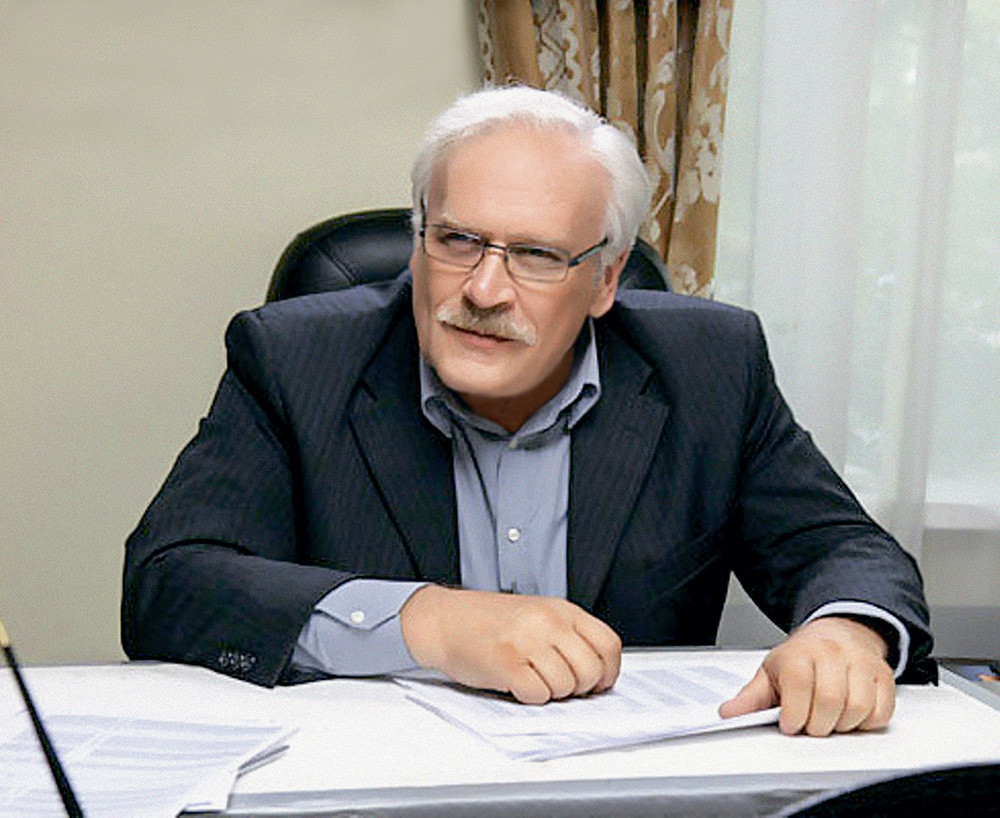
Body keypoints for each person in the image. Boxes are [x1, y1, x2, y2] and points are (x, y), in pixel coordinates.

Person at [122, 86, 933, 737]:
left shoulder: (709, 366)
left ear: (606, 279)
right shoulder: (296, 359)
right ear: (418, 240)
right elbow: (168, 582)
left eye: (537, 256)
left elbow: (843, 547)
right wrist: (430, 623)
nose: (483, 290)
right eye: (457, 241)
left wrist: (845, 633)